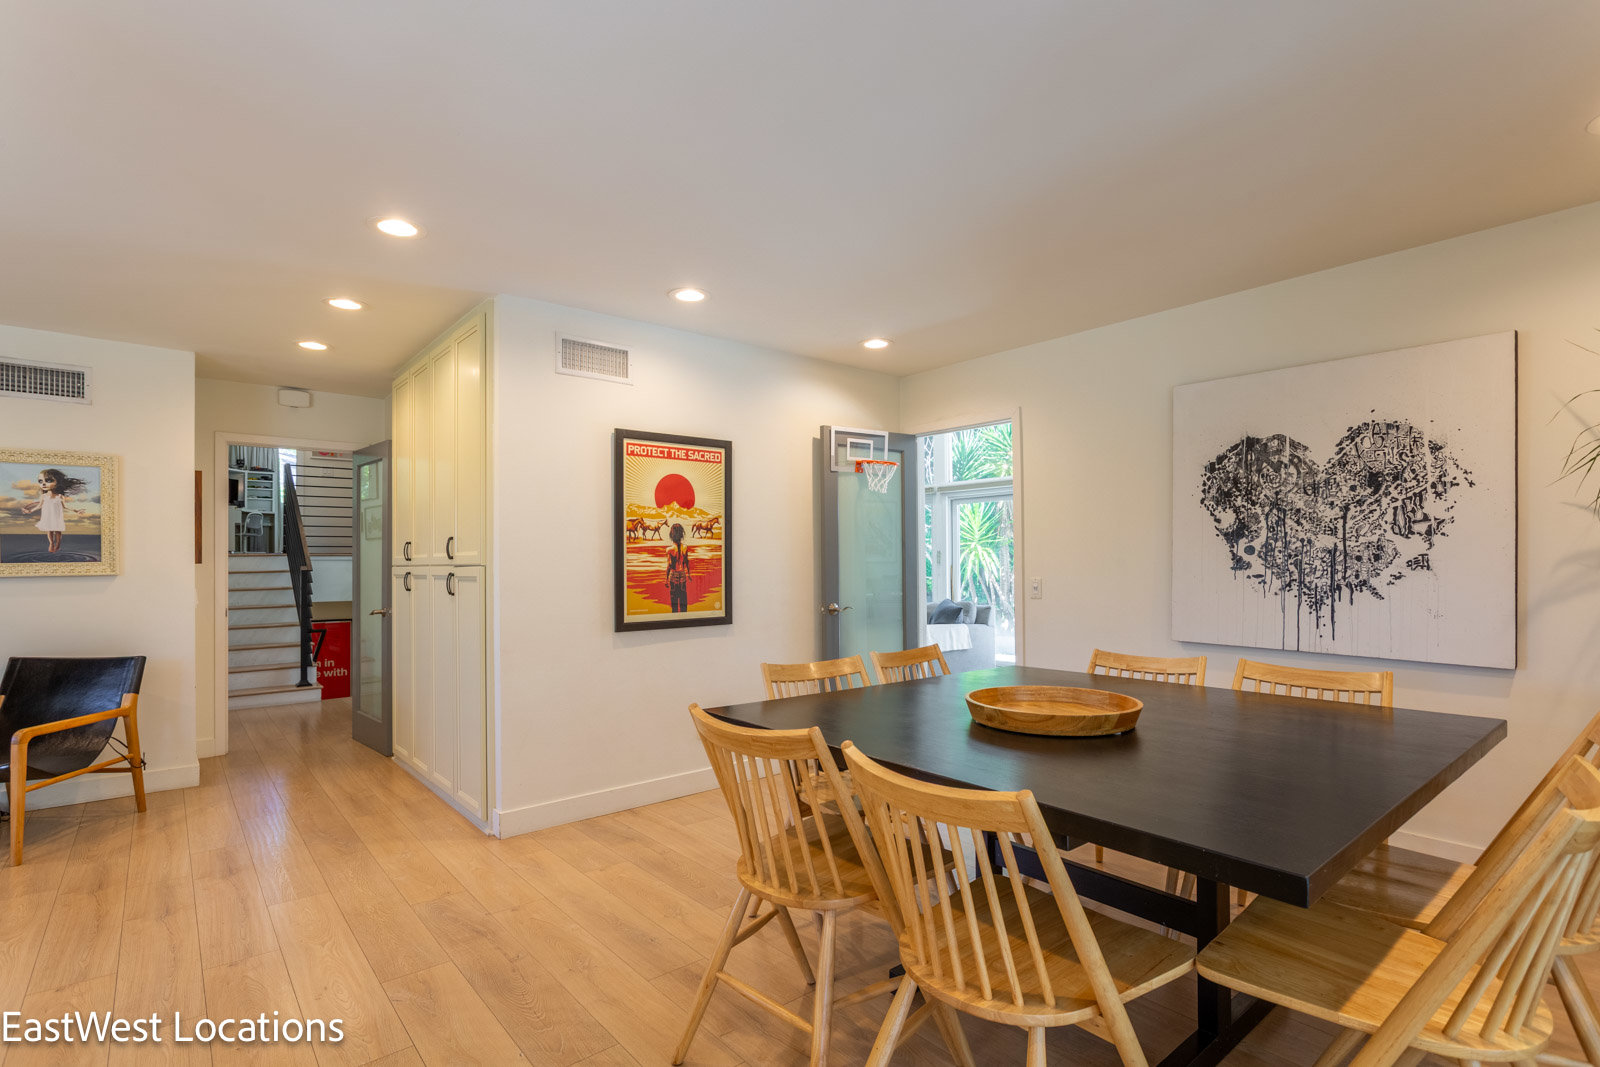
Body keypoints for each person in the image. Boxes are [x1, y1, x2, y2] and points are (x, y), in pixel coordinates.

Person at [20, 468, 88, 553]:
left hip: (56, 515)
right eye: (40, 481)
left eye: (48, 480)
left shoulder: (60, 496)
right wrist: (30, 511)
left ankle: (58, 543)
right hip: (47, 515)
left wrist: (76, 511)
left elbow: (65, 506)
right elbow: (39, 506)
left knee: (58, 530)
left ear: (58, 482)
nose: (43, 483)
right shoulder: (43, 496)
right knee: (49, 529)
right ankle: (51, 543)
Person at [666, 522, 691, 612]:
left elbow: (669, 565)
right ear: (681, 534)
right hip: (683, 575)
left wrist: (666, 579)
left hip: (673, 576)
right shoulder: (685, 547)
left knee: (674, 602)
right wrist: (689, 574)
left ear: (672, 535)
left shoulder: (669, 549)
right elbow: (687, 562)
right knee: (683, 600)